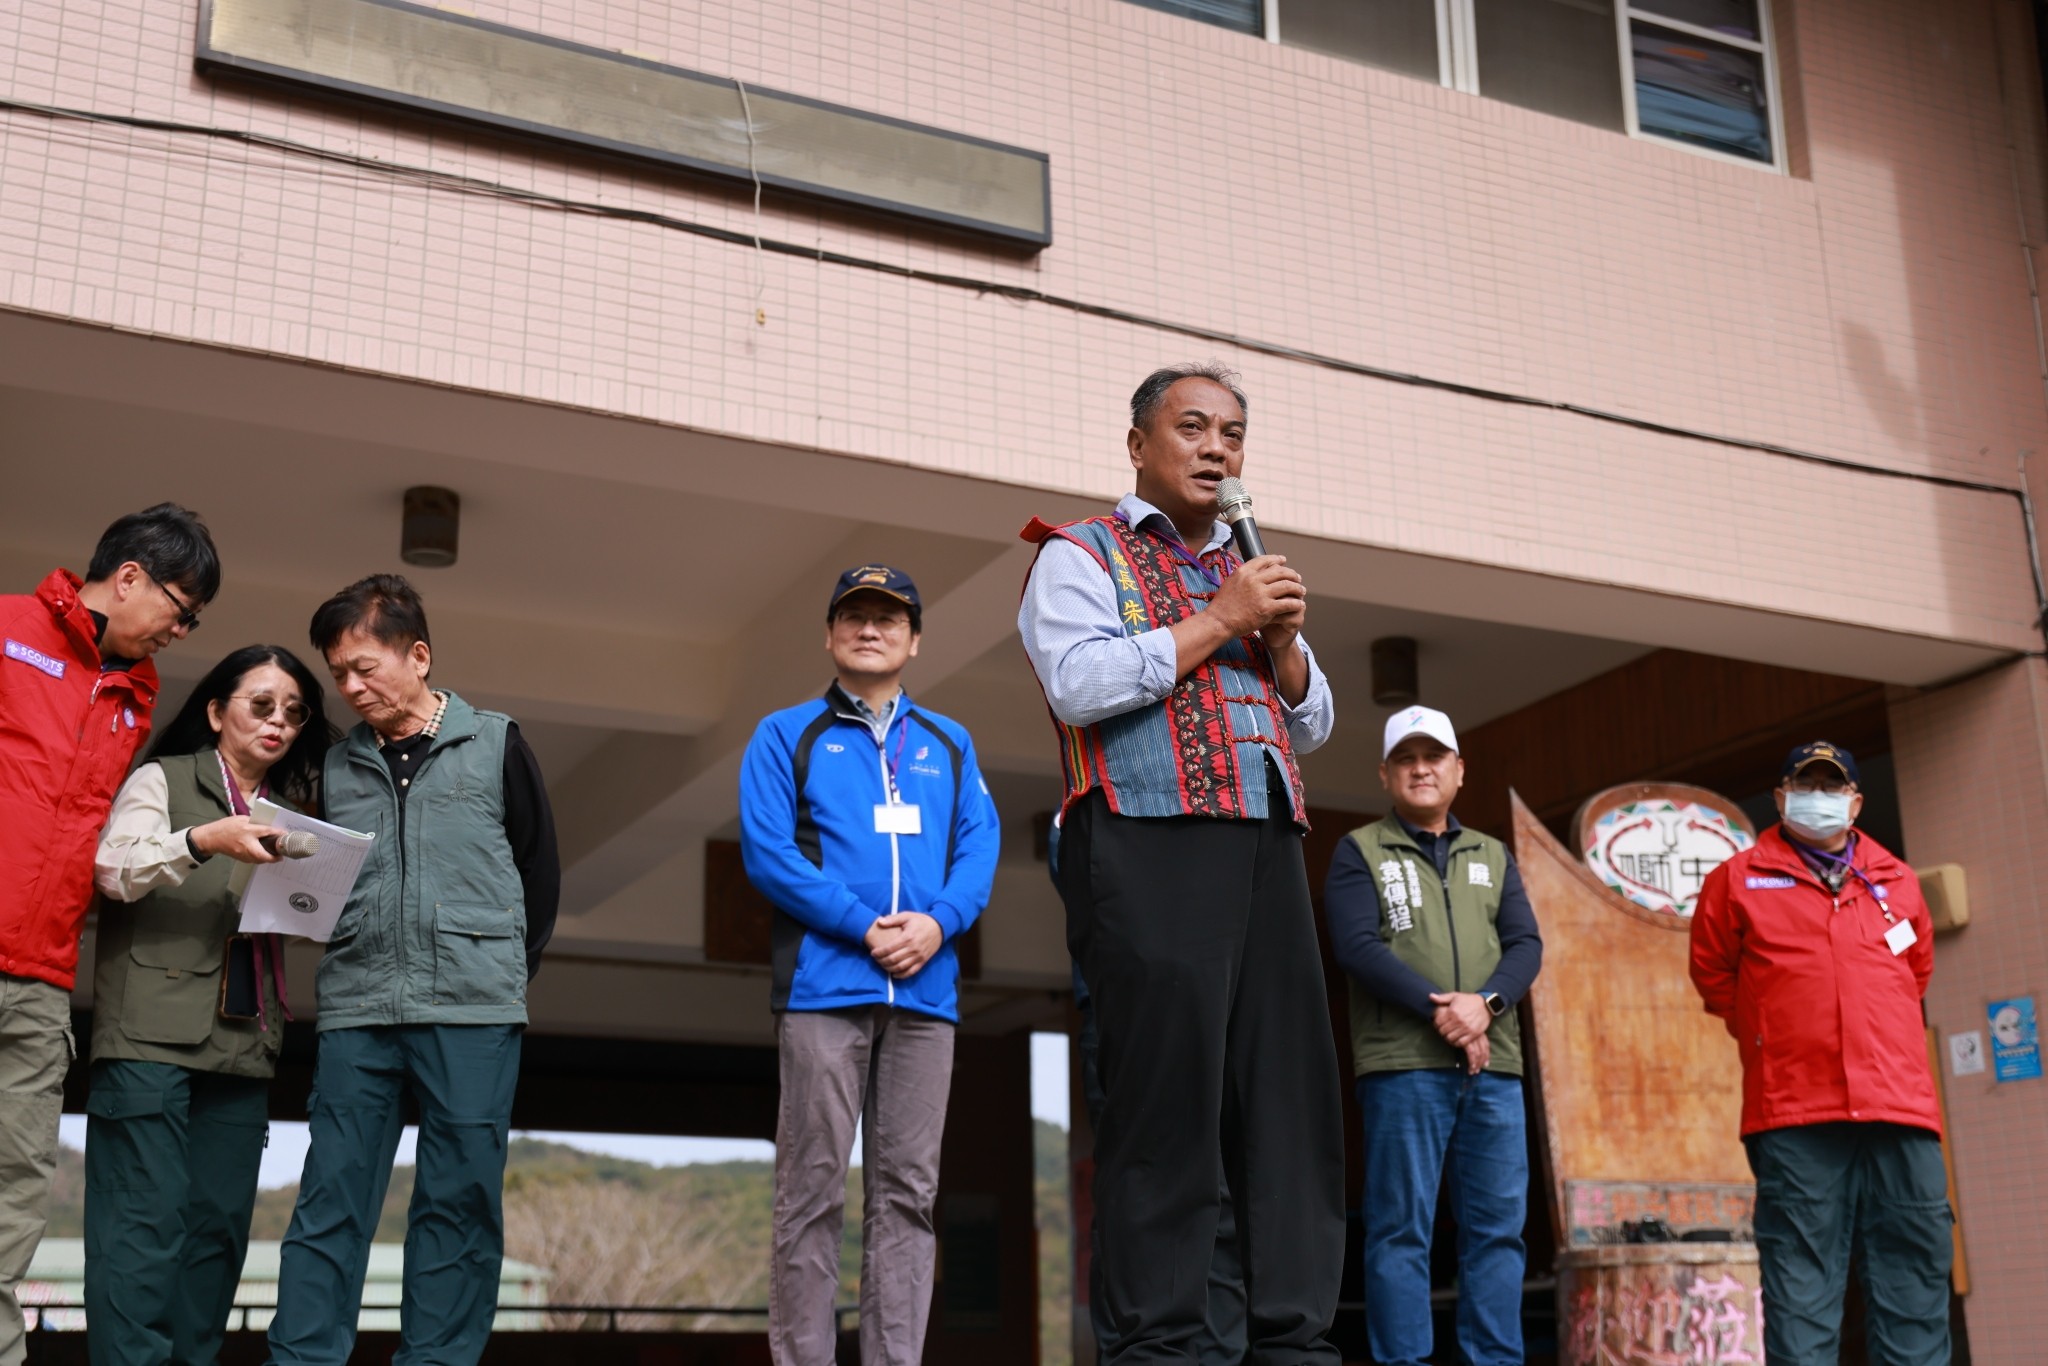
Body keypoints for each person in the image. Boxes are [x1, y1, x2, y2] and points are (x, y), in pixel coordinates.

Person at [1017, 363, 1346, 1361]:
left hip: (1266, 843)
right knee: (1166, 1105)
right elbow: (1077, 684)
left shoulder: (1247, 563)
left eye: (1232, 434)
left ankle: (1293, 1340)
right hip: (1147, 841)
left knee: (1288, 1100)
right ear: (1137, 445)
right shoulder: (1079, 552)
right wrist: (1221, 621)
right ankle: (1160, 1343)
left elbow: (1313, 723)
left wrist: (1281, 646)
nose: (1216, 449)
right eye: (1193, 427)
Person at [264, 575, 559, 1366]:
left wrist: (497, 974)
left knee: (459, 1201)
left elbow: (538, 875)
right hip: (357, 1008)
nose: (351, 688)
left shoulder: (496, 743)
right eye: (339, 675)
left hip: (472, 1009)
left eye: (365, 667)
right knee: (331, 1198)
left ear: (418, 656)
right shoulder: (332, 767)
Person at [740, 565, 1000, 1366]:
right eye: (853, 615)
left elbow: (978, 849)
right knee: (811, 1193)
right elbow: (770, 854)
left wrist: (937, 923)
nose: (870, 628)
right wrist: (863, 927)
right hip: (823, 990)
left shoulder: (949, 743)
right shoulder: (785, 734)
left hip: (927, 998)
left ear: (913, 641)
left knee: (908, 1197)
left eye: (889, 618)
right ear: (829, 635)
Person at [0, 503, 218, 1365]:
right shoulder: (8, 627)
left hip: (43, 978)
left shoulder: (137, 692)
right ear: (129, 577)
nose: (181, 630)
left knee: (15, 1193)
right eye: (182, 608)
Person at [87, 644, 338, 1366]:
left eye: (294, 711)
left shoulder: (293, 817)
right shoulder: (162, 779)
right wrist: (203, 839)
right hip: (147, 1037)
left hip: (244, 1041)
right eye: (261, 705)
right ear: (216, 712)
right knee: (140, 1229)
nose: (278, 721)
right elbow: (112, 869)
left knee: (217, 1235)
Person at [1690, 741, 1950, 1365]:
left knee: (1915, 1274)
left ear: (1855, 803)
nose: (1819, 796)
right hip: (1794, 1108)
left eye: (1833, 786)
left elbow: (1914, 974)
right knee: (1800, 1287)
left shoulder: (1898, 880)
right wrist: (1774, 1032)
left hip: (1898, 1105)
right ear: (1781, 798)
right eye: (1806, 784)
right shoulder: (1737, 880)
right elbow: (1714, 976)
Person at [1324, 706, 1544, 1366]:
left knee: (1498, 1234)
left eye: (1434, 757)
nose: (1421, 769)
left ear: (1458, 770)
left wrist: (1486, 1006)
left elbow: (1526, 945)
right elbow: (1357, 948)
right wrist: (1445, 1013)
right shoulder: (1359, 850)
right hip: (1403, 1067)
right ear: (1386, 775)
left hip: (1494, 1068)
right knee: (1400, 1231)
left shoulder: (1493, 855)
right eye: (1407, 759)